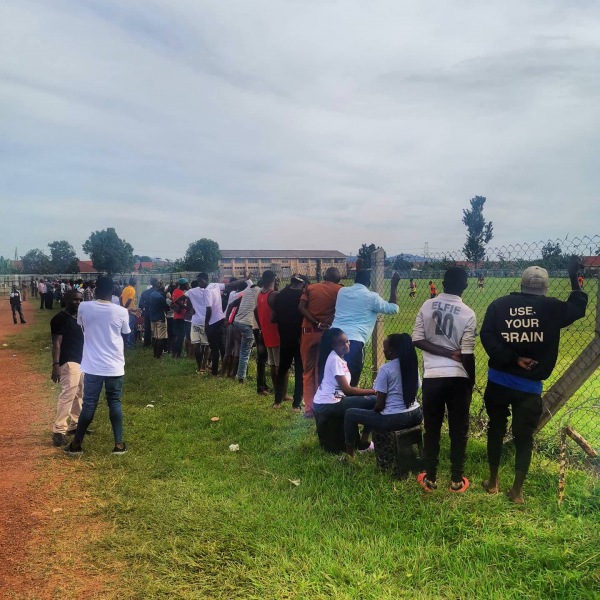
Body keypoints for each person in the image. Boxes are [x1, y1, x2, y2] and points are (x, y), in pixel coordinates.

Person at [480, 257, 587, 504]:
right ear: (545, 287)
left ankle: (493, 481)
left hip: (498, 381)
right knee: (524, 436)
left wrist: (512, 358)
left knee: (496, 429)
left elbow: (487, 336)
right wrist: (573, 276)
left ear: (522, 283)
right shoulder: (552, 308)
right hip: (529, 387)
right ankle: (517, 490)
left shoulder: (499, 305)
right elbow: (578, 306)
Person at [412, 267, 477, 493]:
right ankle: (457, 480)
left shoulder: (427, 305)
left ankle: (430, 478)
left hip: (433, 376)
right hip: (459, 377)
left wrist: (442, 353)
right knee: (459, 429)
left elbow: (417, 340)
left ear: (442, 282)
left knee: (432, 428)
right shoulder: (468, 313)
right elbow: (467, 353)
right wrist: (470, 379)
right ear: (466, 285)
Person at [64, 276, 130, 455]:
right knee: (114, 402)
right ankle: (118, 445)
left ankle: (76, 445)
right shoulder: (121, 311)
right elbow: (125, 334)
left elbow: (82, 326)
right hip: (115, 365)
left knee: (89, 404)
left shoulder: (84, 307)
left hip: (92, 365)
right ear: (113, 290)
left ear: (95, 289)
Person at [344, 334, 423, 456]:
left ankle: (349, 456)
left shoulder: (386, 369)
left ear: (391, 350)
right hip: (416, 415)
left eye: (384, 347)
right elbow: (417, 387)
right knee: (372, 412)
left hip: (394, 419)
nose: (383, 350)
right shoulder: (412, 366)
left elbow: (380, 405)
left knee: (350, 414)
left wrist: (372, 412)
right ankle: (363, 443)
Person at [331, 270, 400, 386]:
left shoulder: (342, 292)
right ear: (370, 282)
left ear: (354, 280)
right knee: (350, 382)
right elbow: (394, 309)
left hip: (332, 337)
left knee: (331, 378)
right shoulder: (372, 297)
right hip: (353, 341)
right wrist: (393, 286)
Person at [313, 328, 377, 451]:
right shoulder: (335, 360)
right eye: (341, 343)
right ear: (333, 345)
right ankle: (363, 444)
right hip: (328, 404)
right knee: (374, 401)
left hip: (330, 401)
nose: (346, 345)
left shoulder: (337, 357)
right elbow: (347, 390)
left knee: (367, 401)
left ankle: (360, 441)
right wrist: (373, 391)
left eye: (347, 341)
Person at [298, 267, 342, 418]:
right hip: (327, 336)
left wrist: (315, 322)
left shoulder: (310, 287)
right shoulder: (340, 290)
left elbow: (301, 307)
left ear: (324, 276)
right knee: (323, 372)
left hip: (308, 333)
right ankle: (323, 406)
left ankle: (309, 409)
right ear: (339, 279)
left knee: (308, 372)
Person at [50, 290, 84, 446]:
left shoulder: (78, 318)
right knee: (68, 394)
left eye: (80, 300)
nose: (77, 303)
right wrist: (55, 365)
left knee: (79, 394)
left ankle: (75, 425)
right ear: (66, 299)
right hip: (68, 362)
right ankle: (59, 430)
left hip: (82, 361)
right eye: (74, 300)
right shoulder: (59, 319)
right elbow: (56, 343)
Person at [272, 274, 307, 410]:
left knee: (282, 369)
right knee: (300, 371)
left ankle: (277, 401)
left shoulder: (279, 295)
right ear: (301, 284)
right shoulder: (302, 296)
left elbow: (273, 317)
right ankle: (296, 404)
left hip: (284, 337)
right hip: (300, 338)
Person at [255, 270, 281, 392]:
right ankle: (279, 390)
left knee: (272, 363)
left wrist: (261, 325)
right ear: (274, 279)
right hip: (276, 334)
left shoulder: (260, 294)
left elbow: (255, 311)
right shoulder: (274, 294)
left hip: (266, 333)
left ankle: (276, 389)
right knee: (278, 364)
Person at [149, 282, 170, 359]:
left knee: (155, 336)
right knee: (160, 338)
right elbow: (167, 308)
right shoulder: (161, 297)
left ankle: (155, 354)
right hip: (160, 318)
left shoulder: (152, 294)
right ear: (162, 288)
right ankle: (158, 355)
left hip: (152, 318)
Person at [171, 278, 189, 358]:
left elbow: (173, 303)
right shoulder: (181, 293)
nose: (188, 285)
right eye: (187, 284)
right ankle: (178, 354)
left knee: (176, 335)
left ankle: (174, 352)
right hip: (181, 316)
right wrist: (186, 307)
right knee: (181, 336)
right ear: (183, 285)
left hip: (175, 316)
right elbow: (180, 303)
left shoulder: (175, 291)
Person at [139, 278, 159, 348]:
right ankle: (155, 343)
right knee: (156, 328)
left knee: (147, 328)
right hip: (157, 312)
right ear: (156, 283)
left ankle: (146, 343)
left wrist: (146, 307)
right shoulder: (158, 292)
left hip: (147, 311)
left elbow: (141, 303)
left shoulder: (145, 292)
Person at [120, 277, 137, 348]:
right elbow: (129, 300)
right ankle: (129, 344)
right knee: (130, 327)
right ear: (135, 283)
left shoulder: (125, 289)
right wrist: (125, 308)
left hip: (124, 311)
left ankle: (125, 342)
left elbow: (120, 298)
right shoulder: (132, 290)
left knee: (124, 327)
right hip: (130, 311)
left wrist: (122, 307)